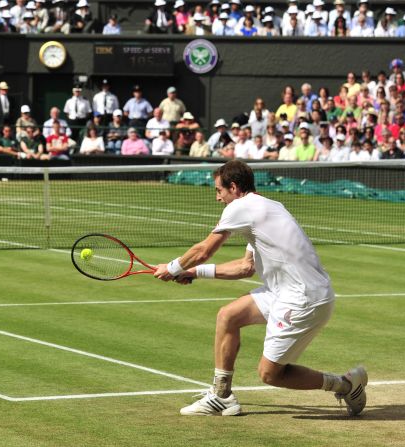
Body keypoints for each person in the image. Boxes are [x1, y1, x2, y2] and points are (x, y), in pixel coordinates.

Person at [154, 160, 367, 417]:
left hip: (303, 299)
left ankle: (344, 385)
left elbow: (204, 250)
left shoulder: (241, 207)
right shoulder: (267, 207)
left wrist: (173, 267)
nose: (217, 198)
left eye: (219, 191)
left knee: (269, 374)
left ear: (233, 187)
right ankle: (221, 396)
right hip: (282, 292)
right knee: (228, 316)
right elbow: (245, 267)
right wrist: (193, 272)